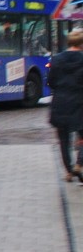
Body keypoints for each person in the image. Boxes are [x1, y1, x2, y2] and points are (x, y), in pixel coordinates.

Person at [48, 29, 83, 182]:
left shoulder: (57, 59)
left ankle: (69, 171)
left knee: (63, 139)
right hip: (80, 102)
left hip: (60, 102)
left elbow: (51, 82)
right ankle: (79, 163)